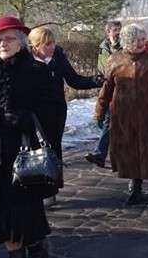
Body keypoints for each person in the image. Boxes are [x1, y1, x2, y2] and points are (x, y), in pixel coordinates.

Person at [0, 16, 63, 258]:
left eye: (9, 38)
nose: (3, 44)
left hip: (23, 152)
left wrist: (24, 118)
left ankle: (37, 252)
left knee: (26, 208)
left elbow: (52, 110)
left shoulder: (35, 70)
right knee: (0, 208)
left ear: (22, 42)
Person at [94, 24, 148, 205]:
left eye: (143, 39)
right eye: (137, 40)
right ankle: (133, 183)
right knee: (128, 149)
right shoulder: (115, 59)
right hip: (122, 114)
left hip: (147, 113)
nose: (142, 43)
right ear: (128, 41)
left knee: (144, 150)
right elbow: (107, 88)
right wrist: (100, 111)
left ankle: (137, 185)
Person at [29, 25, 103, 162]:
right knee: (36, 152)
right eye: (47, 44)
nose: (52, 47)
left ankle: (55, 180)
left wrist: (95, 81)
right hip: (34, 115)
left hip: (56, 112)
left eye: (53, 43)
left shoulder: (58, 57)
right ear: (35, 46)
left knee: (54, 151)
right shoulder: (26, 62)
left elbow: (74, 80)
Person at [85, 20, 122, 168]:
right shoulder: (103, 48)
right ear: (108, 32)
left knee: (115, 124)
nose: (118, 32)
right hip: (108, 89)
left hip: (122, 90)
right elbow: (102, 67)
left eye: (120, 29)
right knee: (109, 122)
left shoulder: (125, 47)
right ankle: (101, 154)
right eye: (115, 30)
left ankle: (105, 154)